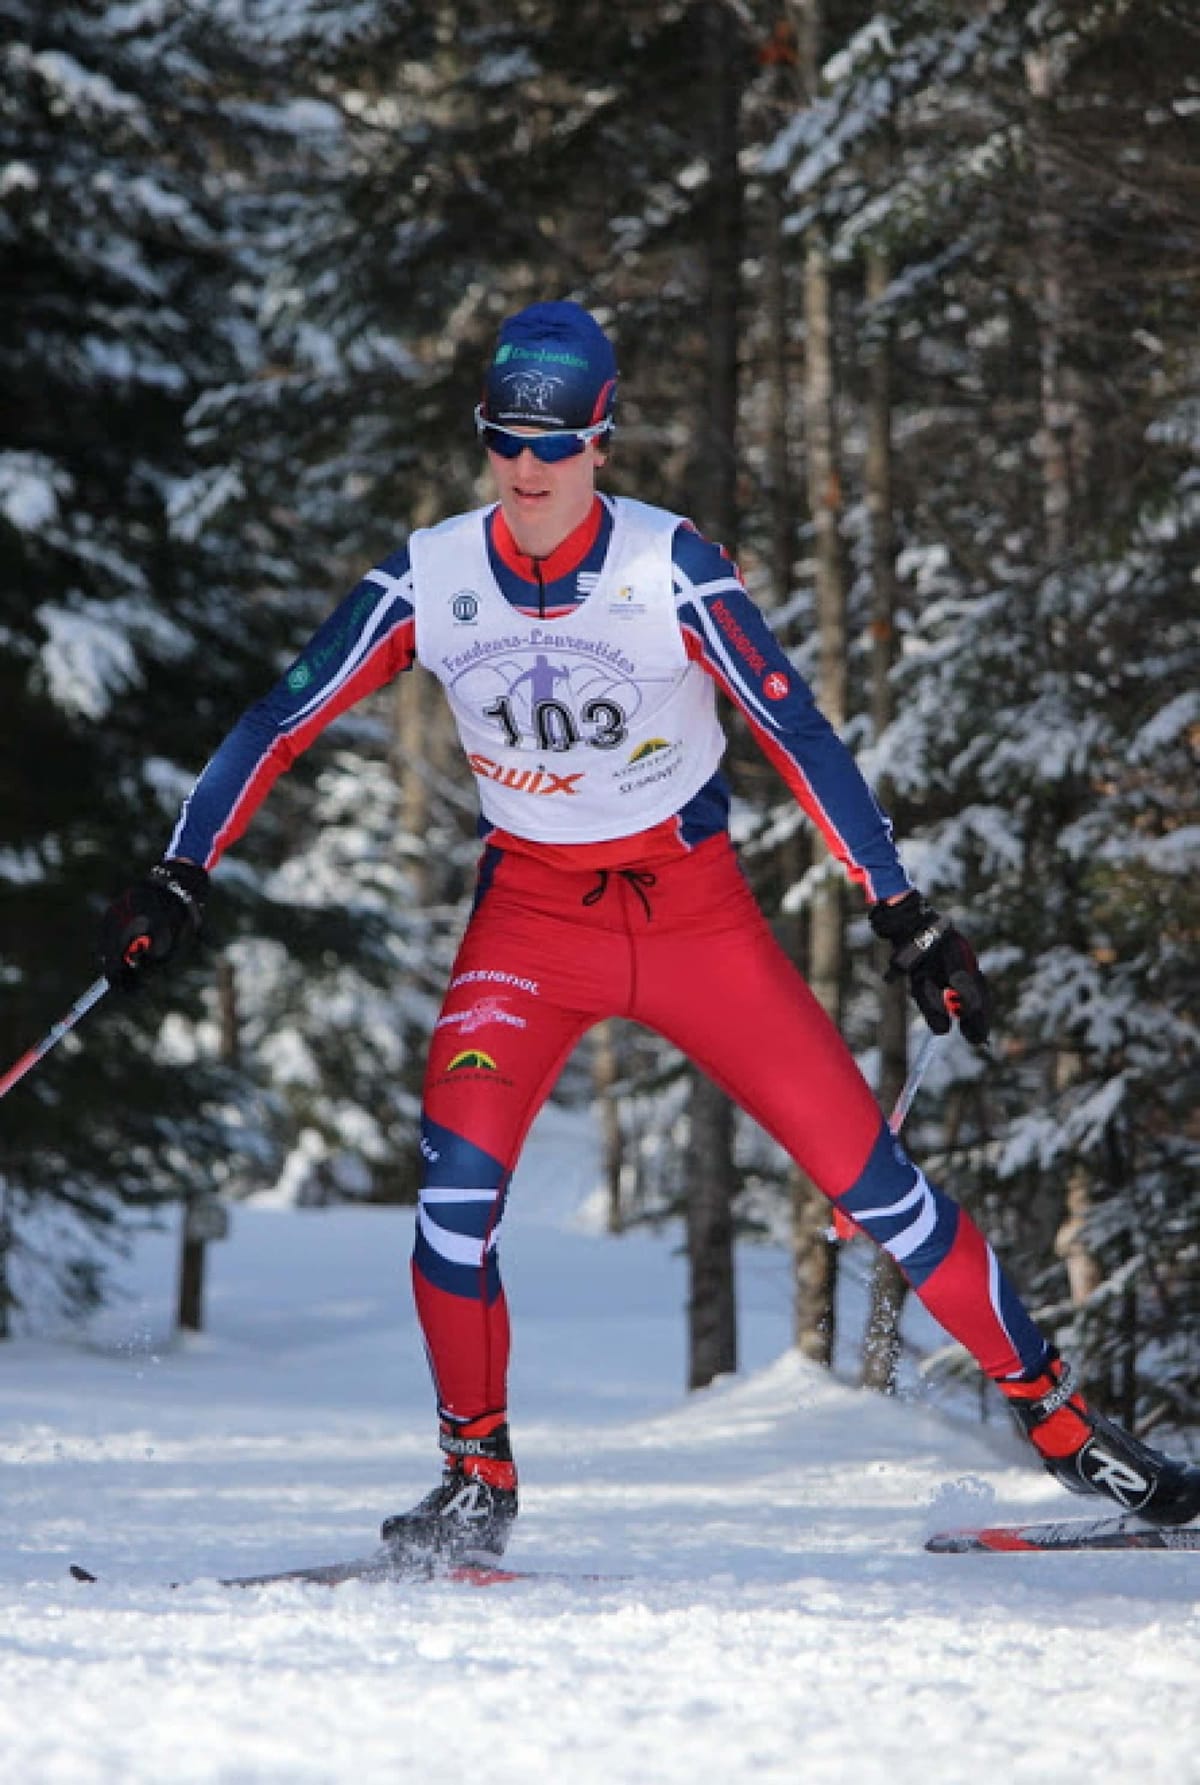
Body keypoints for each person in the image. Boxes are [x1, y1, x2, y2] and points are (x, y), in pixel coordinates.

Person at [100, 301, 1199, 1563]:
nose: (528, 468)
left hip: (696, 923)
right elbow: (274, 721)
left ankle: (1070, 1436)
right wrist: (181, 872)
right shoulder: (430, 577)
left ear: (603, 441)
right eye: (506, 438)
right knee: (451, 1213)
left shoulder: (672, 567)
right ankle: (475, 1475)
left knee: (882, 1199)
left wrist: (904, 915)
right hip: (527, 929)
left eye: (557, 444)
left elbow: (800, 736)